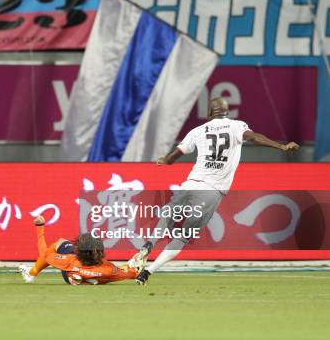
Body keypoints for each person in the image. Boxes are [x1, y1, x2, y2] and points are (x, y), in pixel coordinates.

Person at [132, 97, 300, 285]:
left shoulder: (197, 131)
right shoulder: (237, 126)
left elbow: (174, 156)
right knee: (184, 236)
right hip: (211, 190)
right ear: (227, 112)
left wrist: (164, 160)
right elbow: (253, 138)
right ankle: (148, 272)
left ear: (209, 114)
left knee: (168, 216)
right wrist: (281, 146)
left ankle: (148, 245)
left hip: (191, 183)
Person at [19, 216, 139, 285]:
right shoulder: (108, 268)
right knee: (114, 272)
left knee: (61, 243)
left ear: (79, 251)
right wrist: (135, 270)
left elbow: (45, 254)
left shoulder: (69, 261)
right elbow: (127, 274)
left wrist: (40, 228)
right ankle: (81, 280)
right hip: (90, 274)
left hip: (71, 271)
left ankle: (32, 272)